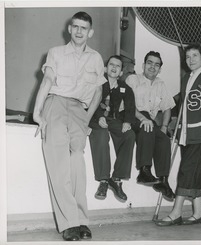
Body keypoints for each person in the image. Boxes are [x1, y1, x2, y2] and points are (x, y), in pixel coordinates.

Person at [33, 12, 106, 241]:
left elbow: (98, 91)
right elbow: (47, 81)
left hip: (78, 110)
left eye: (83, 28)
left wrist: (87, 118)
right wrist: (37, 111)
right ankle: (69, 223)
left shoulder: (96, 58)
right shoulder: (55, 53)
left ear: (90, 32)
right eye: (75, 26)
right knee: (59, 165)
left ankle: (82, 219)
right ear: (69, 29)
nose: (78, 31)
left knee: (77, 164)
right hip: (55, 104)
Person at [156, 43, 201, 226]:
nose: (190, 60)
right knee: (192, 172)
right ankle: (198, 213)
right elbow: (183, 105)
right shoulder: (186, 78)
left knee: (186, 171)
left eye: (195, 56)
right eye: (187, 57)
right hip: (186, 132)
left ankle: (176, 212)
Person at [126, 51, 176, 201]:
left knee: (164, 139)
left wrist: (164, 126)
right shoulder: (133, 79)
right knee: (147, 126)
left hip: (149, 120)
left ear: (160, 68)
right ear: (143, 65)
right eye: (149, 63)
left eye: (156, 64)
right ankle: (144, 171)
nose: (152, 67)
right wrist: (142, 118)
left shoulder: (161, 84)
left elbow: (167, 107)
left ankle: (163, 180)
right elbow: (128, 105)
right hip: (132, 115)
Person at [89, 55, 135, 202]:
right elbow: (89, 102)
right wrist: (99, 116)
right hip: (95, 117)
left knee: (129, 135)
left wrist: (127, 122)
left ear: (121, 72)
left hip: (112, 119)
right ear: (106, 68)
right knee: (101, 135)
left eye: (118, 66)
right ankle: (104, 181)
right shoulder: (97, 82)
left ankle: (117, 178)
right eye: (111, 65)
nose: (114, 68)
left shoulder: (124, 88)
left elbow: (130, 107)